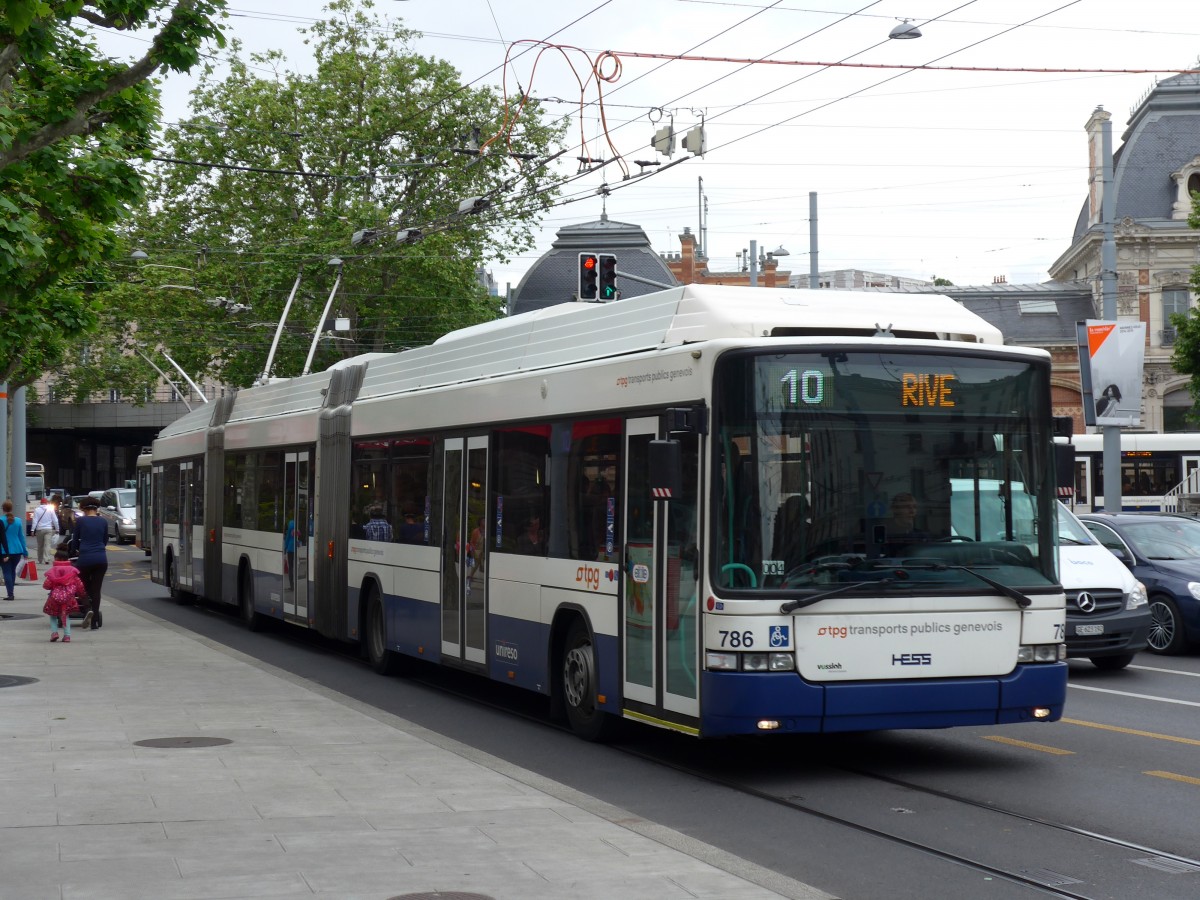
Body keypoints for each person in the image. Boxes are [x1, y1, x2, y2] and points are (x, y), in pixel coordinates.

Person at [72, 495, 109, 629]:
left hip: (85, 559)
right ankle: (94, 622)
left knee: (82, 588)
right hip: (101, 559)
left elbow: (75, 540)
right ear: (96, 508)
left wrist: (75, 550)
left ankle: (88, 610)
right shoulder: (103, 521)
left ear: (84, 509)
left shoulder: (81, 521)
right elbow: (105, 540)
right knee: (96, 590)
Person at [42, 546, 88, 642]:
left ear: (56, 558)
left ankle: (54, 633)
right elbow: (79, 584)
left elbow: (47, 585)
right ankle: (67, 635)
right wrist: (82, 594)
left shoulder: (53, 570)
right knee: (66, 615)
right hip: (68, 597)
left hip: (54, 597)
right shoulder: (72, 570)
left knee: (53, 615)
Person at [0, 499, 29, 601]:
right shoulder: (18, 521)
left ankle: (10, 594)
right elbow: (21, 537)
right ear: (12, 509)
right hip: (17, 549)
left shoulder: (1, 520)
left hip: (4, 550)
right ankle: (11, 591)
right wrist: (25, 551)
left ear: (3, 509)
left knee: (6, 572)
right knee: (12, 571)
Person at [31, 495, 59, 566]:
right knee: (47, 545)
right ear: (46, 503)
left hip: (39, 529)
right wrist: (57, 529)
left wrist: (32, 530)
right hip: (48, 529)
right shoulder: (50, 509)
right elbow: (55, 520)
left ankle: (40, 559)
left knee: (40, 545)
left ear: (40, 503)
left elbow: (35, 521)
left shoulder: (37, 510)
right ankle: (46, 559)